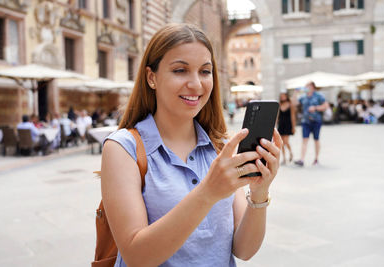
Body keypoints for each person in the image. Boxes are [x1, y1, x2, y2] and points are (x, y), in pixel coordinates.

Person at [100, 23, 283, 266]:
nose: (196, 84)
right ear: (151, 77)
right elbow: (136, 257)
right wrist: (207, 193)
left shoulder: (220, 148)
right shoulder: (122, 148)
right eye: (180, 70)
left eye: (205, 72)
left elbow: (244, 249)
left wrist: (260, 193)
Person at [293, 81, 328, 166]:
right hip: (306, 122)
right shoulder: (303, 97)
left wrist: (315, 108)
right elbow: (294, 103)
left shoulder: (319, 96)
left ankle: (316, 159)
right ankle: (301, 160)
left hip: (316, 121)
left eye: (307, 86)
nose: (306, 87)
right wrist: (295, 94)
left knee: (316, 139)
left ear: (312, 87)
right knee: (305, 140)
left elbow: (326, 106)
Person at [277, 92, 296, 164]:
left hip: (288, 125)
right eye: (281, 96)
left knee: (286, 141)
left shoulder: (290, 104)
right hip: (281, 124)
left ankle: (291, 153)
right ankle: (284, 158)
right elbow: (278, 116)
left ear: (286, 96)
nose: (282, 97)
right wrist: (275, 124)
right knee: (281, 142)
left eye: (283, 96)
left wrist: (293, 127)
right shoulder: (279, 104)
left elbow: (293, 116)